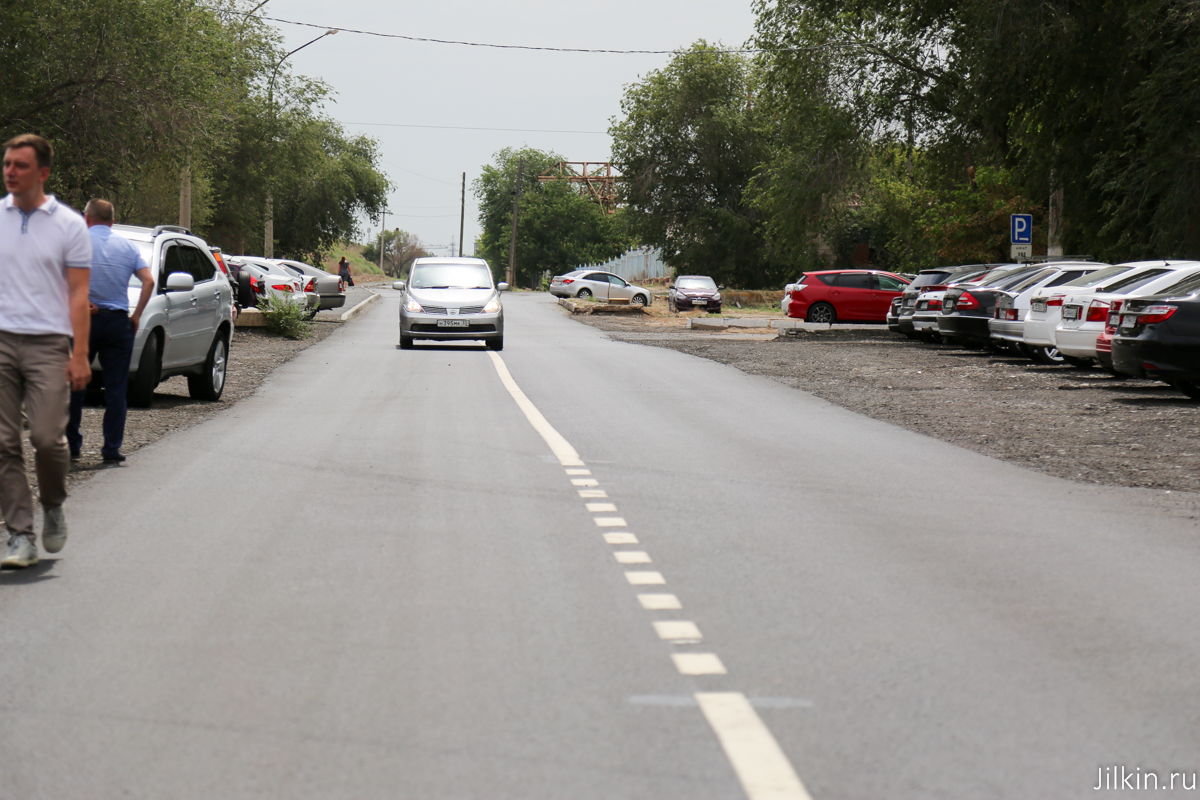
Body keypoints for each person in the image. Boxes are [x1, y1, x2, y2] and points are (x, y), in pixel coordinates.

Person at [0, 134, 92, 569]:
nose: (10, 172)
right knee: (2, 443)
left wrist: (79, 354)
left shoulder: (69, 225)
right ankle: (20, 535)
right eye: (6, 164)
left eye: (19, 165)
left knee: (45, 438)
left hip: (48, 344)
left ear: (43, 173)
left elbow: (78, 293)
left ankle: (53, 504)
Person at [66, 198, 153, 465]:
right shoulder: (127, 247)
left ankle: (72, 446)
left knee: (75, 385)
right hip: (117, 323)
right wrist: (136, 315)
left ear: (86, 218)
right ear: (112, 221)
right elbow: (148, 280)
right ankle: (111, 449)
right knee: (116, 389)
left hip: (84, 321)